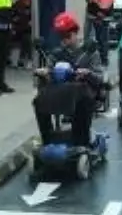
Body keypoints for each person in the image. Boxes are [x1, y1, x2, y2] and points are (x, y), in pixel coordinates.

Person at [33, 12, 102, 147]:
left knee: (82, 98)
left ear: (75, 33)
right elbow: (49, 70)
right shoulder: (57, 54)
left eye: (67, 35)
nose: (64, 39)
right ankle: (48, 139)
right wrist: (45, 73)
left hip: (83, 93)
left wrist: (87, 73)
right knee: (38, 100)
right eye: (61, 36)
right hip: (61, 92)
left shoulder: (89, 52)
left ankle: (81, 141)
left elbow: (99, 77)